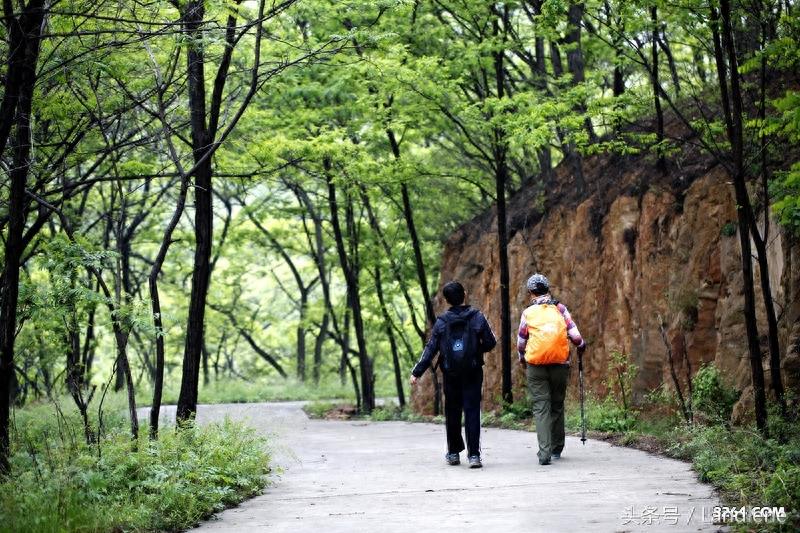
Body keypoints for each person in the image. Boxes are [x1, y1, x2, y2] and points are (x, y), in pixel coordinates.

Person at [410, 281, 496, 468]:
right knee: (472, 412)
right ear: (464, 294)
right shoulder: (477, 317)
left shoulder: (442, 322)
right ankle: (474, 456)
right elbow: (491, 342)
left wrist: (417, 372)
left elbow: (431, 349)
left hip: (450, 373)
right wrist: (476, 350)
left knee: (452, 412)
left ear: (447, 300)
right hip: (473, 371)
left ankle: (453, 453)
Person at [517, 273, 586, 465]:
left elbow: (521, 341)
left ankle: (544, 453)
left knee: (541, 408)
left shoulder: (528, 313)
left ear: (531, 292)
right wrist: (581, 347)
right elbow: (576, 336)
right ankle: (557, 449)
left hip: (535, 366)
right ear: (548, 289)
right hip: (559, 364)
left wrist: (522, 358)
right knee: (557, 404)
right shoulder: (560, 309)